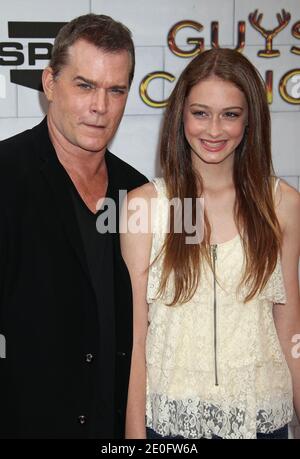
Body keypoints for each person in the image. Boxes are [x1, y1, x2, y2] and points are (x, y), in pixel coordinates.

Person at [121, 48, 300, 439]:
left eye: (230, 115)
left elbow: (290, 328)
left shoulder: (283, 204)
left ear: (250, 118)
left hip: (262, 417)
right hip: (169, 423)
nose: (214, 130)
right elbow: (134, 341)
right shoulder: (146, 207)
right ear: (181, 115)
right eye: (200, 113)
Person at [0, 14, 147, 438]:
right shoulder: (6, 177)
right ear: (49, 84)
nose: (100, 107)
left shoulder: (137, 193)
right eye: (84, 86)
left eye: (115, 90)